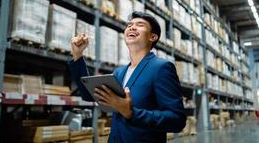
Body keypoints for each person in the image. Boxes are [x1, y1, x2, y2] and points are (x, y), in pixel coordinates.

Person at [68, 11, 186, 143]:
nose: (132, 27)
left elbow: (177, 120)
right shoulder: (119, 72)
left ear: (152, 37)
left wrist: (131, 113)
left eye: (140, 24)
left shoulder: (161, 68)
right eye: (129, 25)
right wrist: (77, 56)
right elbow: (90, 95)